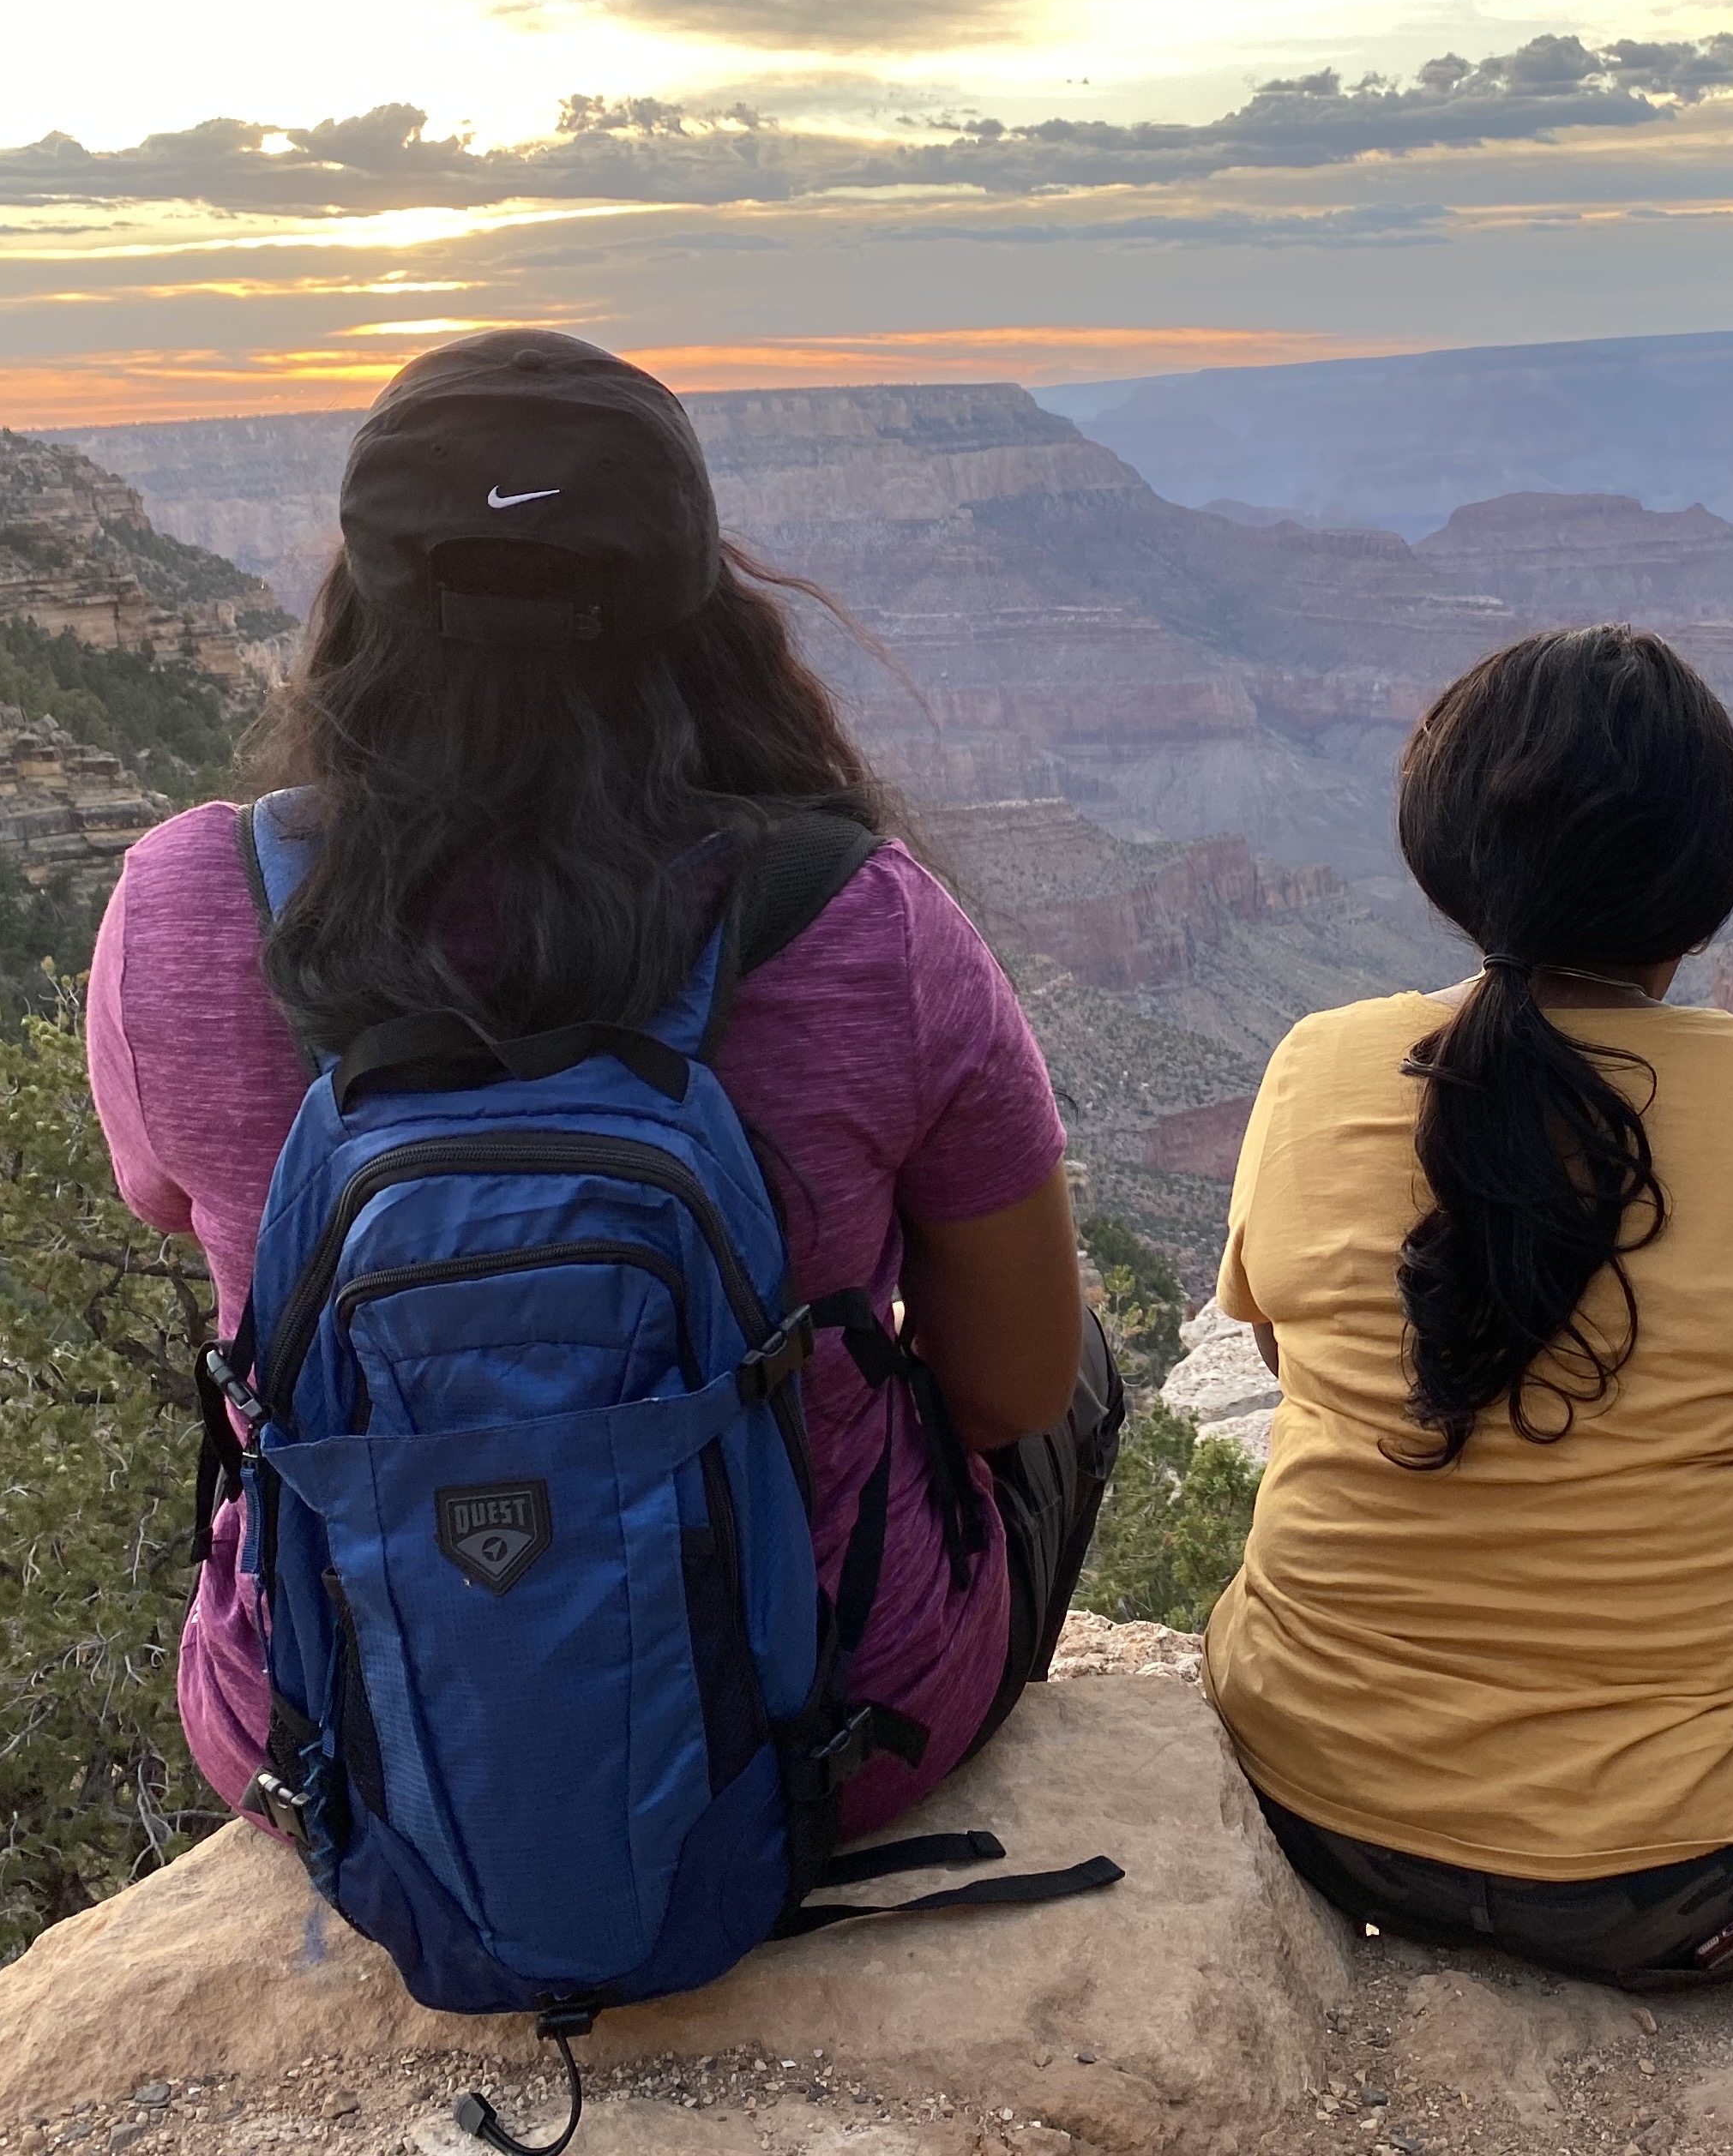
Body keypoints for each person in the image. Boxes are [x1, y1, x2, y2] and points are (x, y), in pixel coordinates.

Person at [87, 327, 1122, 1845]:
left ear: (355, 600)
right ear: (700, 604)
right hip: (819, 1730)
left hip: (342, 1742)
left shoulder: (189, 901)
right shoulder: (856, 917)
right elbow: (1012, 1388)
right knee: (1084, 1353)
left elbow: (172, 1204)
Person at [1205, 625, 1733, 1988]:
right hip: (1727, 1874)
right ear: (1703, 883)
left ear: (1443, 854)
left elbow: (1289, 1353)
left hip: (1323, 1811)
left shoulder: (1316, 1065)